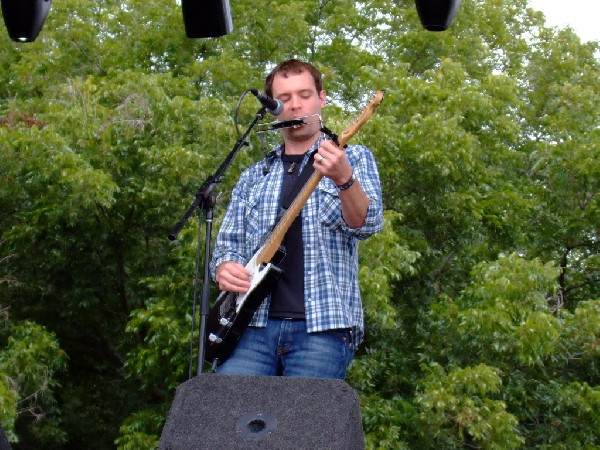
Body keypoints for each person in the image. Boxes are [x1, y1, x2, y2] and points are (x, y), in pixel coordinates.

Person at [210, 59, 383, 379]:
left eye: (304, 95)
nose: (295, 105)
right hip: (249, 327)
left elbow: (367, 224)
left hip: (322, 328)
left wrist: (344, 179)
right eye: (284, 98)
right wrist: (224, 268)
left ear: (322, 98)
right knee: (229, 419)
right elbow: (228, 245)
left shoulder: (354, 158)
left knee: (306, 428)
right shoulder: (254, 175)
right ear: (274, 108)